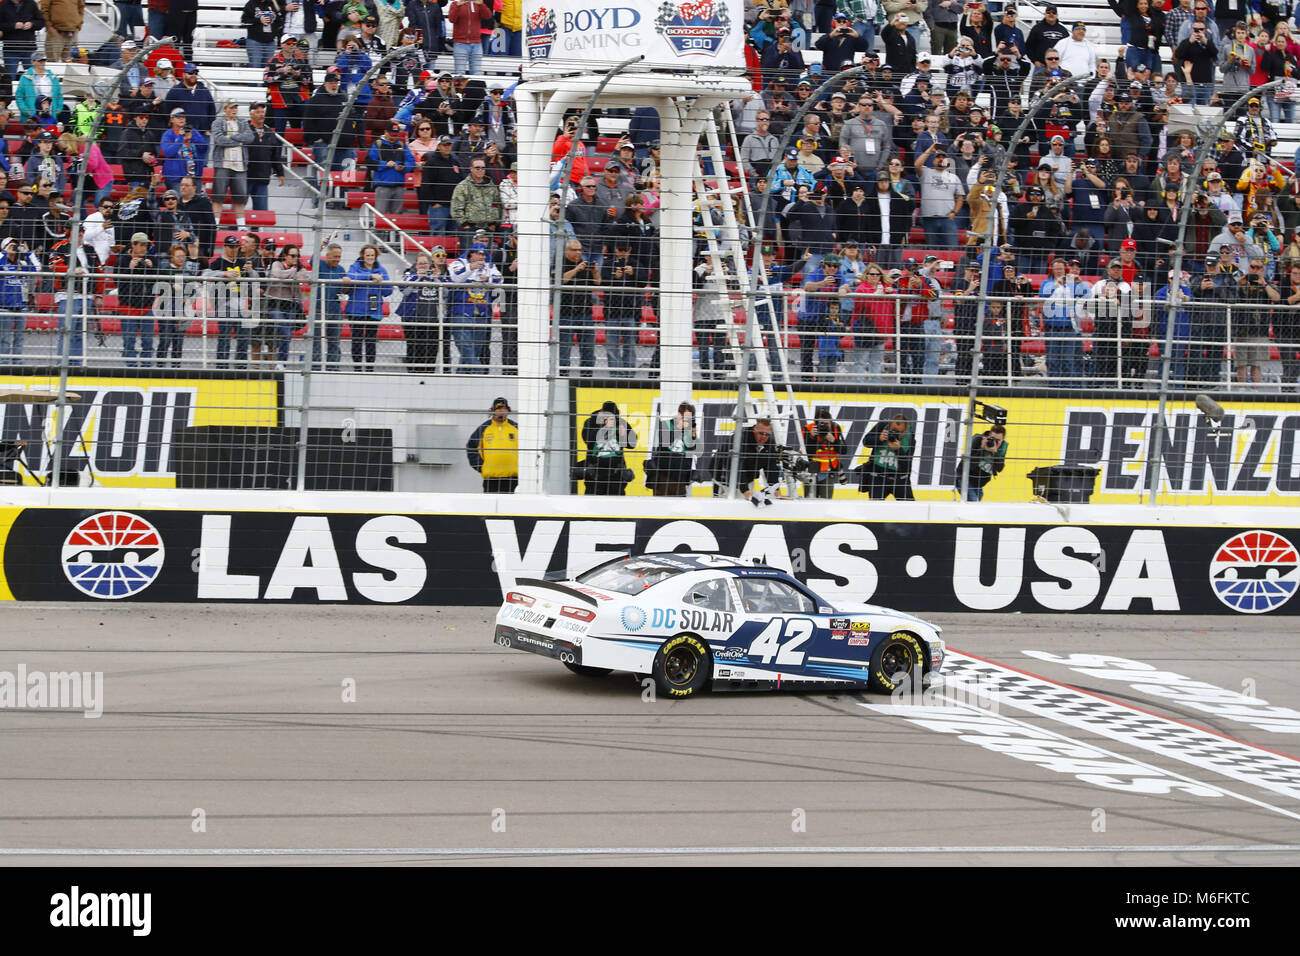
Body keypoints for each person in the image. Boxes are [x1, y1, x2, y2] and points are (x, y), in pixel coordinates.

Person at [445, 241, 500, 372]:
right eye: (479, 254)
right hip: (461, 312)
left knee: (474, 350)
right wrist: (471, 268)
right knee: (466, 348)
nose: (482, 257)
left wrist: (488, 279)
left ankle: (461, 379)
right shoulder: (458, 263)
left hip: (481, 313)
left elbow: (499, 278)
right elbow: (456, 278)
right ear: (471, 253)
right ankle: (478, 371)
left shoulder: (490, 266)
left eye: (484, 254)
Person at [343, 243, 391, 371]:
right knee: (357, 340)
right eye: (367, 255)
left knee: (370, 341)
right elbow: (350, 277)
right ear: (362, 256)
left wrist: (380, 282)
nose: (370, 257)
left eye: (372, 255)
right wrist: (370, 277)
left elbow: (388, 291)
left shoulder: (382, 270)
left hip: (373, 311)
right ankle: (357, 368)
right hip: (356, 311)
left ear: (376, 256)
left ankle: (370, 369)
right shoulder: (355, 267)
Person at [209, 101, 255, 228]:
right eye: (231, 107)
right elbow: (219, 139)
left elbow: (250, 138)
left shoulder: (243, 122)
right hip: (223, 164)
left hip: (240, 165)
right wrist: (239, 140)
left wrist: (231, 137)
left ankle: (241, 226)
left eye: (236, 107)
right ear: (225, 109)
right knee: (218, 196)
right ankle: (215, 224)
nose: (234, 110)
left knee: (240, 197)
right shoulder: (218, 122)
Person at [117, 232, 157, 367]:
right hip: (128, 307)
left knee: (148, 341)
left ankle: (146, 367)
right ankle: (131, 367)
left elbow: (158, 282)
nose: (144, 248)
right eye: (141, 245)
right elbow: (117, 282)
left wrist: (152, 268)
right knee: (129, 341)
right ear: (133, 245)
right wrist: (129, 269)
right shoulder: (122, 259)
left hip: (146, 306)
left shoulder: (151, 259)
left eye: (145, 245)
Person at [580, 400, 636, 496]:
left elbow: (632, 444)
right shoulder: (591, 422)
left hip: (616, 474)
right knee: (593, 505)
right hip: (595, 473)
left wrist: (623, 435)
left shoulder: (621, 423)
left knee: (616, 506)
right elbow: (587, 439)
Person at [465, 396, 518, 493]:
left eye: (504, 408)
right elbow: (471, 446)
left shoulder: (516, 427)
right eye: (498, 408)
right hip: (491, 479)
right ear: (493, 410)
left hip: (513, 478)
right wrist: (481, 466)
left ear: (508, 410)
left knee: (511, 507)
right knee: (489, 507)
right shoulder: (484, 428)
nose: (501, 411)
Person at [859, 414, 915, 500]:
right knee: (874, 508)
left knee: (910, 508)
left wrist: (898, 450)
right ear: (890, 426)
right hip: (878, 476)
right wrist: (879, 438)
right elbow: (866, 442)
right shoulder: (882, 426)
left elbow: (906, 465)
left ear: (905, 430)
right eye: (893, 430)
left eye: (899, 432)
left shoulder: (910, 437)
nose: (895, 434)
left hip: (900, 478)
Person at [647, 402, 696, 497]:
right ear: (679, 415)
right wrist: (678, 428)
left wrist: (693, 436)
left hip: (680, 476)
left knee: (679, 506)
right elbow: (665, 444)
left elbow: (691, 449)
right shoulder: (665, 424)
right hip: (664, 474)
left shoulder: (689, 428)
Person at [0, 238, 35, 363]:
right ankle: (2, 362)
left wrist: (28, 253)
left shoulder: (22, 263)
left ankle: (17, 361)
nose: (14, 247)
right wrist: (4, 252)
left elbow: (37, 268)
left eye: (15, 245)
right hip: (4, 306)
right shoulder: (2, 262)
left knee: (19, 336)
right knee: (4, 337)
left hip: (21, 305)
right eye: (11, 245)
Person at [801, 406, 847, 499]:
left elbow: (844, 450)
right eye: (822, 424)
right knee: (809, 500)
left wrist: (834, 441)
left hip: (829, 470)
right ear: (816, 423)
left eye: (827, 423)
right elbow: (807, 454)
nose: (825, 426)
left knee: (826, 501)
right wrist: (812, 438)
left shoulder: (835, 428)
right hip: (811, 470)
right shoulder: (808, 429)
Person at [964, 423, 1008, 501]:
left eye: (998, 440)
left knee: (974, 506)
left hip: (978, 484)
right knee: (974, 502)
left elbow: (1000, 469)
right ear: (989, 435)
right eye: (993, 439)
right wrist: (982, 448)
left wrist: (995, 452)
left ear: (1003, 439)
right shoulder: (979, 440)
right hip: (964, 478)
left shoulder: (1001, 448)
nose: (995, 442)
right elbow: (969, 464)